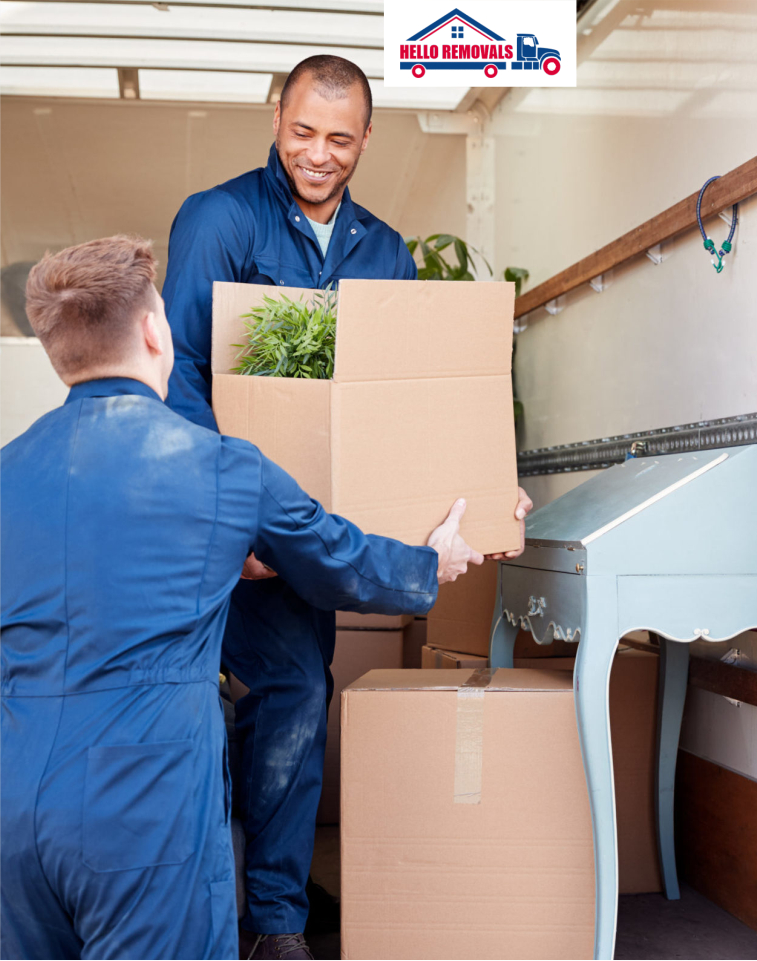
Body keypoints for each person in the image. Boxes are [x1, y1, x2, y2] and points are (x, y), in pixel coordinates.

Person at [0, 235, 483, 961]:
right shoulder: (220, 466)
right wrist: (430, 561)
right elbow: (339, 562)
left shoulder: (7, 470)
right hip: (142, 805)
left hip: (12, 799)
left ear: (56, 350)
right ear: (155, 332)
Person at [162, 54, 532, 958]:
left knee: (295, 691)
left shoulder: (385, 252)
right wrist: (232, 521)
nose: (316, 154)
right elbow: (178, 377)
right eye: (301, 132)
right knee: (193, 701)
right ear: (274, 120)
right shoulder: (219, 219)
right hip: (217, 524)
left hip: (312, 533)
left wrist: (483, 481)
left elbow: (397, 402)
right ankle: (209, 909)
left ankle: (275, 922)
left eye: (338, 138)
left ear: (366, 139)